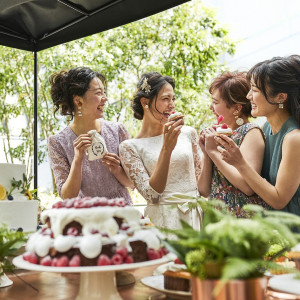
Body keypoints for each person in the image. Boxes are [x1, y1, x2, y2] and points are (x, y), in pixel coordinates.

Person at [215, 56, 300, 216]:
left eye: (254, 90)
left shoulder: (294, 138)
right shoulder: (265, 128)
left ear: (280, 97)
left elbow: (278, 199)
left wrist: (239, 162)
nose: (248, 96)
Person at [119, 72, 202, 230]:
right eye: (165, 99)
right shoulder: (129, 147)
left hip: (195, 217)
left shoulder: (188, 133)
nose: (172, 105)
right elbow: (152, 195)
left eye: (173, 99)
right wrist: (167, 149)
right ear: (145, 102)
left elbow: (200, 182)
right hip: (163, 222)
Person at [48, 67, 133, 205]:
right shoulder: (57, 143)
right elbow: (68, 197)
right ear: (78, 101)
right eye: (99, 93)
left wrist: (117, 170)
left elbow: (134, 183)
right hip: (85, 220)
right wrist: (77, 159)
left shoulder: (118, 131)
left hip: (122, 216)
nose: (105, 99)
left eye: (104, 93)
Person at [198, 71, 270, 217]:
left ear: (237, 108)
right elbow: (204, 190)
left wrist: (213, 152)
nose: (211, 108)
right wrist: (206, 152)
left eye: (216, 102)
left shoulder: (251, 132)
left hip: (240, 221)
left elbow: (247, 187)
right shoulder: (219, 135)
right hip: (215, 220)